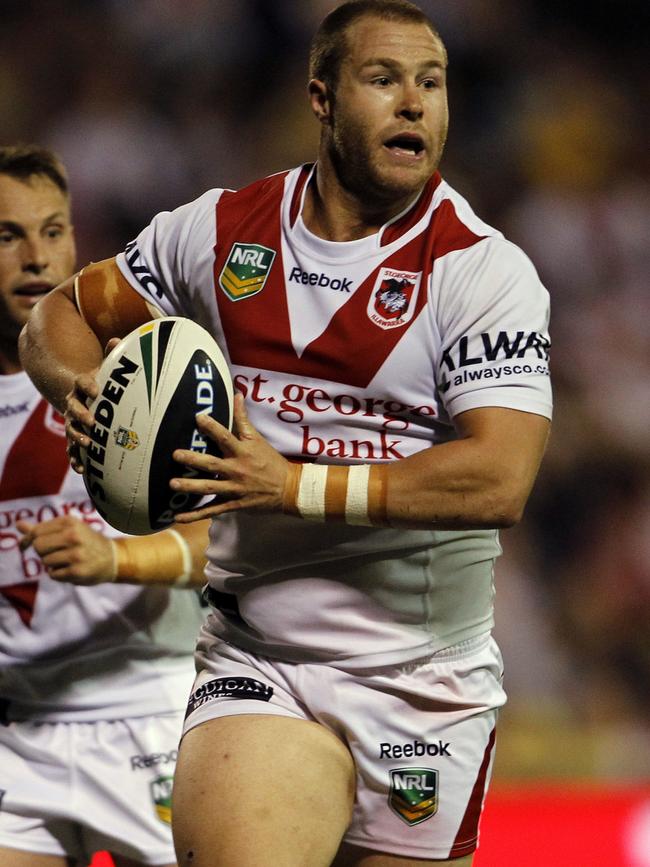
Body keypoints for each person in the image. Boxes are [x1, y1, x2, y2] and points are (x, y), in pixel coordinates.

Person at [20, 1, 553, 864]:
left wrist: (293, 483)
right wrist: (90, 392)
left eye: (433, 83)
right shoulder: (221, 231)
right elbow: (60, 316)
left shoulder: (483, 273)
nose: (414, 102)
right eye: (384, 79)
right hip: (261, 654)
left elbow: (501, 478)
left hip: (427, 680)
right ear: (322, 97)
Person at [0, 144, 210, 867]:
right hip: (16, 732)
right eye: (8, 235)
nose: (36, 256)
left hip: (147, 714)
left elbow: (216, 543)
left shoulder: (147, 372)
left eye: (53, 231)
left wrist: (115, 557)